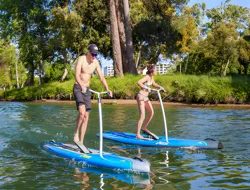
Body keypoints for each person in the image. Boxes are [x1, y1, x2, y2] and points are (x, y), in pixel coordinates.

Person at [73, 44, 112, 150]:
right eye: (93, 54)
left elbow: (101, 77)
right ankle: (76, 133)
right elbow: (76, 75)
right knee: (81, 112)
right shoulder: (81, 59)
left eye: (96, 54)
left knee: (86, 116)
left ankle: (81, 141)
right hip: (78, 87)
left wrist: (107, 88)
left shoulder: (95, 62)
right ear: (88, 52)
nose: (94, 56)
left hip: (87, 90)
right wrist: (81, 85)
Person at [136, 64, 165, 139]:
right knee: (142, 116)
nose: (157, 72)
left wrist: (160, 87)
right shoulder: (147, 77)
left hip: (146, 97)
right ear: (152, 71)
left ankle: (144, 127)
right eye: (156, 70)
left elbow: (154, 84)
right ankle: (138, 134)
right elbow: (139, 82)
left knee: (151, 112)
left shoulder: (151, 77)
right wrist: (146, 87)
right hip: (141, 96)